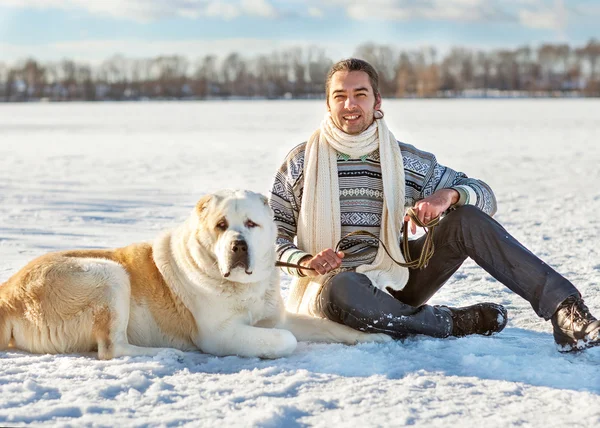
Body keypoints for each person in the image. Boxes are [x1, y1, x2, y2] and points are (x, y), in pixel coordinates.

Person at [268, 58, 600, 352]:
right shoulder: (300, 163)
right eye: (340, 96)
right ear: (328, 104)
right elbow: (271, 236)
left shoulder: (404, 160)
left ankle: (566, 311)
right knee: (344, 285)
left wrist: (446, 198)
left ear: (377, 100)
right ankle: (453, 322)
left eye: (360, 94)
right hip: (331, 291)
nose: (350, 104)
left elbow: (484, 194)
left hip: (396, 282)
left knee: (465, 218)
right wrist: (306, 261)